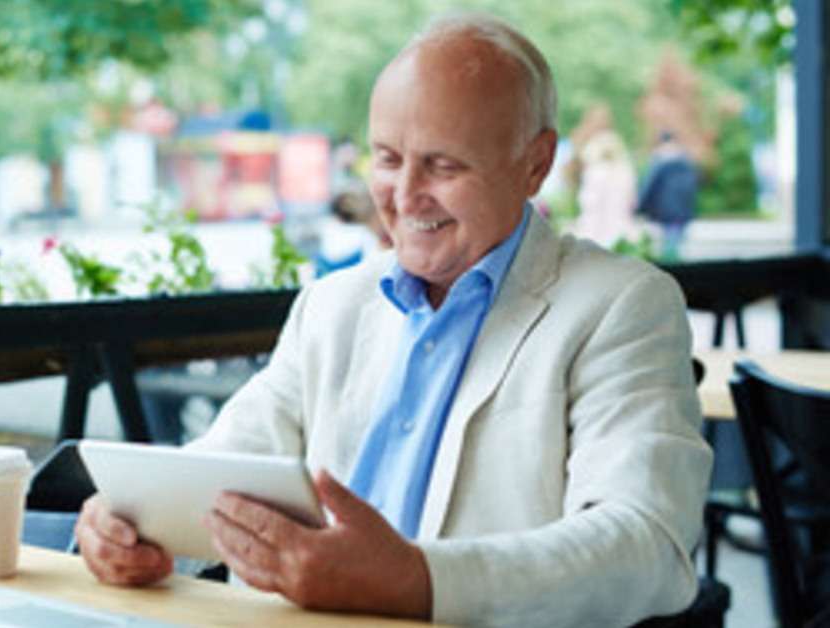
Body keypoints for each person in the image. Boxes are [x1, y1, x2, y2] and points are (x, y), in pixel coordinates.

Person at [75, 13, 711, 627]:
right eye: (386, 158)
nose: (404, 196)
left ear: (535, 163)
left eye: (444, 164)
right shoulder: (330, 305)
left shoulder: (624, 305)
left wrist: (415, 581)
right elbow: (217, 476)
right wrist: (135, 527)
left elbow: (646, 545)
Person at [637, 131, 699, 260]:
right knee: (677, 242)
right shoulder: (686, 161)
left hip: (664, 210)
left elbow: (649, 186)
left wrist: (640, 208)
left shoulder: (659, 162)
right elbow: (694, 186)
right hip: (683, 210)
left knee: (669, 244)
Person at [573, 129, 639, 247]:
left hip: (593, 234)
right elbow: (632, 203)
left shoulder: (594, 173)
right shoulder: (626, 172)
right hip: (624, 235)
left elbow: (587, 204)